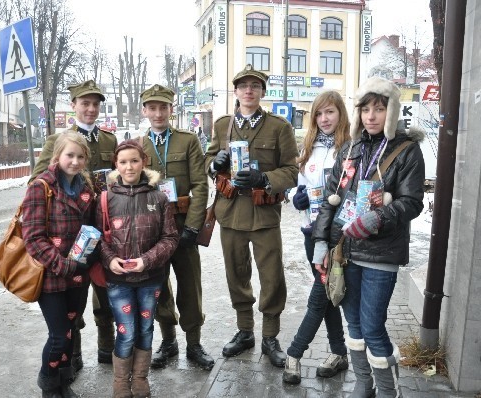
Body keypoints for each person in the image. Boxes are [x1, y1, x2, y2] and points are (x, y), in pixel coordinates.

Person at [311, 77, 425, 398]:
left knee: (373, 327)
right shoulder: (349, 150)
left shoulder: (407, 151)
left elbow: (412, 202)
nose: (371, 116)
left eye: (379, 108)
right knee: (355, 327)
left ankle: (389, 391)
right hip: (345, 252)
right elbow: (331, 199)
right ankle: (364, 384)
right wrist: (322, 241)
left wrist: (378, 217)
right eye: (365, 109)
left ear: (391, 112)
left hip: (381, 254)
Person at [204, 64, 298, 368]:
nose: (248, 90)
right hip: (230, 212)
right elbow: (208, 159)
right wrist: (215, 163)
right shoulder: (222, 126)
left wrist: (263, 179)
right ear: (235, 91)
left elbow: (292, 171)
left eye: (254, 86)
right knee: (236, 273)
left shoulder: (279, 127)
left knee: (272, 277)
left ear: (262, 91)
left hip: (263, 213)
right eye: (243, 86)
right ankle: (245, 331)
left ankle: (270, 336)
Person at [31, 80, 118, 370]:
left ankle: (107, 349)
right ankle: (74, 355)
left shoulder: (108, 141)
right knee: (73, 304)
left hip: (101, 231)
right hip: (68, 236)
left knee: (105, 296)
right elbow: (39, 180)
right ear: (74, 106)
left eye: (95, 104)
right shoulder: (57, 140)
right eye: (85, 103)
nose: (91, 109)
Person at [136, 84, 214, 370]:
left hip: (183, 225)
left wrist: (193, 227)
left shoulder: (188, 140)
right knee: (158, 286)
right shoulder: (137, 146)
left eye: (163, 107)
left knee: (190, 285)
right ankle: (168, 340)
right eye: (152, 107)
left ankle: (194, 343)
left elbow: (199, 185)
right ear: (144, 111)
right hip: (152, 230)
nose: (158, 113)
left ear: (171, 110)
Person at [96, 140, 179, 398]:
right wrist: (110, 260)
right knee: (126, 331)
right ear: (116, 165)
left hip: (150, 278)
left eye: (134, 160)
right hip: (118, 281)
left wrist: (148, 260)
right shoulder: (106, 199)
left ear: (144, 161)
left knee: (145, 329)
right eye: (123, 162)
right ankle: (121, 382)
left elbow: (170, 238)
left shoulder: (159, 197)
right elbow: (97, 237)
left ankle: (140, 378)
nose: (129, 166)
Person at [282, 91, 351, 384]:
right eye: (319, 114)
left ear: (341, 115)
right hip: (311, 232)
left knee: (320, 294)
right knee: (326, 294)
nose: (324, 119)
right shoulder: (308, 148)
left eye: (330, 113)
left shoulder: (350, 149)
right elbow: (297, 186)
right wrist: (293, 196)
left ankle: (295, 353)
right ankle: (339, 352)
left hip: (338, 235)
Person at [22, 132, 97, 398]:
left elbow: (92, 229)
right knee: (59, 336)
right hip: (52, 276)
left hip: (78, 275)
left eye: (80, 157)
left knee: (71, 330)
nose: (74, 161)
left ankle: (63, 382)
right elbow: (32, 237)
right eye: (69, 155)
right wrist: (63, 265)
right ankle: (49, 384)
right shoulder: (41, 187)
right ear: (57, 157)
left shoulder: (87, 190)